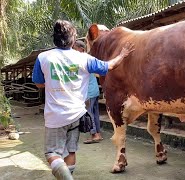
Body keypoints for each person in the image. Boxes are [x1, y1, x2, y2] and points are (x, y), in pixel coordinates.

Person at [32, 19, 134, 180]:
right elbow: (109, 66)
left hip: (55, 116)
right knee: (71, 151)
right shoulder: (84, 58)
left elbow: (38, 83)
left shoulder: (43, 58)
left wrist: (55, 83)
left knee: (52, 153)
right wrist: (122, 55)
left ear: (55, 38)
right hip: (77, 114)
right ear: (73, 39)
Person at [73, 40, 103, 144]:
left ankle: (94, 135)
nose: (73, 51)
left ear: (81, 49)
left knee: (89, 114)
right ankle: (98, 133)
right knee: (95, 114)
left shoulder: (81, 60)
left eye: (74, 48)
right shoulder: (88, 59)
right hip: (94, 91)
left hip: (88, 92)